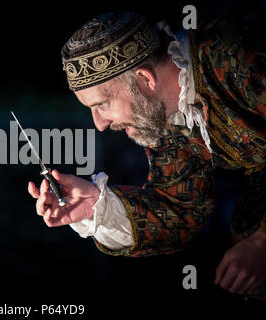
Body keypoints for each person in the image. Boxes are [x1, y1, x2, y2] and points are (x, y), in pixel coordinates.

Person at [27, 9, 266, 299]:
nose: (100, 124)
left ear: (144, 79)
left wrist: (262, 242)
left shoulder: (242, 55)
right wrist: (96, 207)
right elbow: (178, 211)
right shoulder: (167, 115)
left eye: (102, 104)